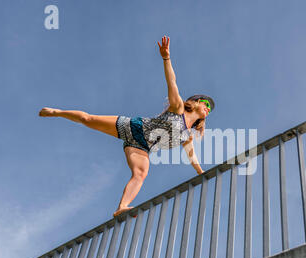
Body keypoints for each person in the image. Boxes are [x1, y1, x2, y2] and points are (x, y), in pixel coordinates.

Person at [38, 36, 215, 218]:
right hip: (133, 127)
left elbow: (192, 156)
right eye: (205, 104)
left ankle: (122, 207)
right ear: (194, 102)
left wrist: (201, 173)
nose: (207, 109)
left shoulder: (188, 135)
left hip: (142, 147)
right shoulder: (177, 107)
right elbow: (172, 82)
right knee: (88, 119)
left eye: (210, 109)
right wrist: (166, 58)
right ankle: (56, 112)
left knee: (141, 173)